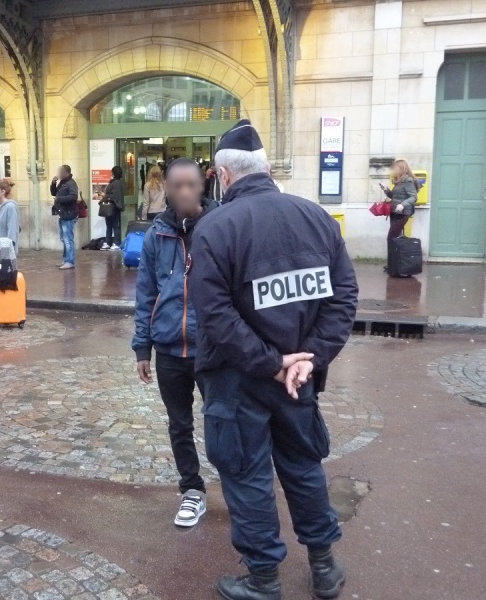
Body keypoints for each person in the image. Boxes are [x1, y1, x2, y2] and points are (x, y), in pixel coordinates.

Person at [188, 119, 358, 600]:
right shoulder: (316, 217)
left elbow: (215, 317)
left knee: (247, 475)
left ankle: (263, 578)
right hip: (298, 377)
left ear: (222, 177)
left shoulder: (215, 227)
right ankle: (324, 567)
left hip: (240, 379)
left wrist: (271, 362)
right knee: (303, 467)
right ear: (265, 168)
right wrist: (308, 358)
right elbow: (344, 297)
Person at [132, 158, 218, 528]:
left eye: (191, 184)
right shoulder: (157, 235)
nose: (184, 191)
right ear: (165, 188)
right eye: (176, 185)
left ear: (203, 186)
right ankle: (192, 490)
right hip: (169, 348)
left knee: (222, 421)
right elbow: (146, 292)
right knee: (179, 424)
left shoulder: (220, 228)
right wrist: (142, 347)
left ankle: (237, 484)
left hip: (212, 349)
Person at [380, 159, 420, 267]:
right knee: (396, 238)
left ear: (401, 168)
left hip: (403, 213)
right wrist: (387, 191)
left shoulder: (408, 181)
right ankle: (395, 264)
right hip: (394, 212)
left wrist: (403, 204)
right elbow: (395, 196)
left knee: (391, 238)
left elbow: (414, 197)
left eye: (396, 168)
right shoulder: (398, 181)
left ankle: (393, 264)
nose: (394, 170)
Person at [50, 165, 78, 270]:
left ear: (66, 172)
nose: (59, 173)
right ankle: (66, 259)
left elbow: (74, 196)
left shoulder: (71, 183)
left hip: (69, 214)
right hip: (62, 214)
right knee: (64, 238)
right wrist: (53, 183)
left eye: (61, 171)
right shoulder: (63, 183)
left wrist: (59, 199)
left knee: (68, 239)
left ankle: (70, 261)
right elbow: (53, 193)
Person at [99, 166, 125, 251]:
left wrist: (106, 197)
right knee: (109, 225)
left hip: (113, 207)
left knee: (114, 225)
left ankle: (116, 243)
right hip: (112, 206)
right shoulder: (116, 182)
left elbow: (115, 196)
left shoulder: (116, 183)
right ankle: (108, 242)